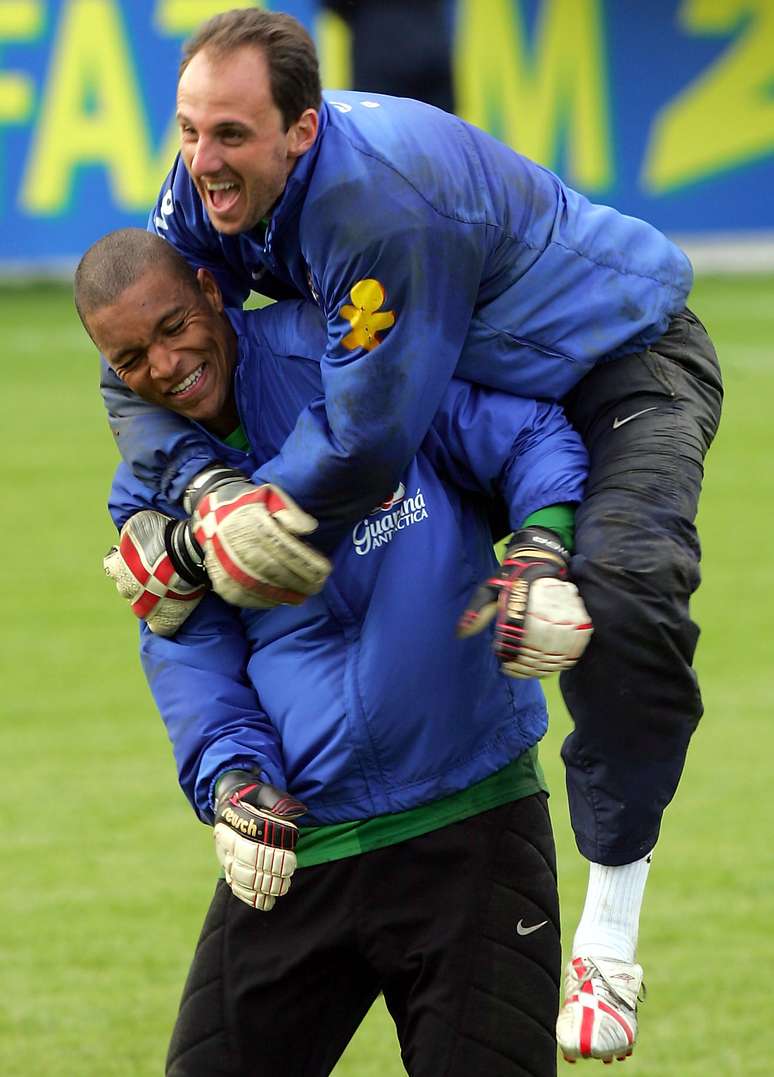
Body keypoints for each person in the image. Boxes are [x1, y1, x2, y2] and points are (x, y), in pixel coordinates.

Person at [98, 9, 724, 1062]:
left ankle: (609, 937)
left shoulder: (375, 213)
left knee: (623, 595)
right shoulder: (199, 221)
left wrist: (235, 527)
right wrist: (200, 495)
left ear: (302, 130)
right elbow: (131, 361)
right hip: (320, 819)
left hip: (618, 359)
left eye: (231, 135)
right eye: (188, 129)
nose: (202, 160)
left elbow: (369, 445)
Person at [77, 226, 592, 1077]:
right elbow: (188, 655)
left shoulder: (348, 352)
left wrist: (543, 548)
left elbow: (528, 433)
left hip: (472, 820)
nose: (165, 366)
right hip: (299, 849)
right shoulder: (146, 491)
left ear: (212, 291)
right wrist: (233, 779)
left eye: (172, 327)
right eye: (131, 358)